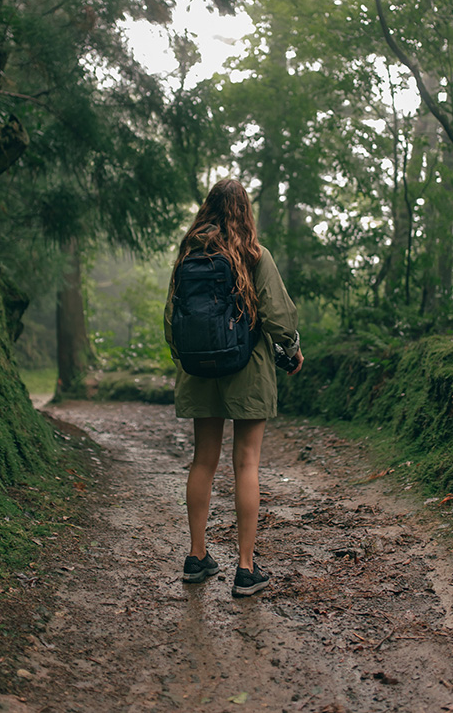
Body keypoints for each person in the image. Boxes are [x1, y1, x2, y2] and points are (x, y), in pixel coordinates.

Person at [164, 179, 303, 597]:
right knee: (247, 464)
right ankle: (245, 569)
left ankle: (196, 556)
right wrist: (292, 351)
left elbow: (172, 318)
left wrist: (188, 358)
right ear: (245, 211)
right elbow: (279, 316)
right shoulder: (254, 255)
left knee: (203, 460)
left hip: (198, 370)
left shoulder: (188, 255)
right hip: (247, 368)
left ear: (207, 208)